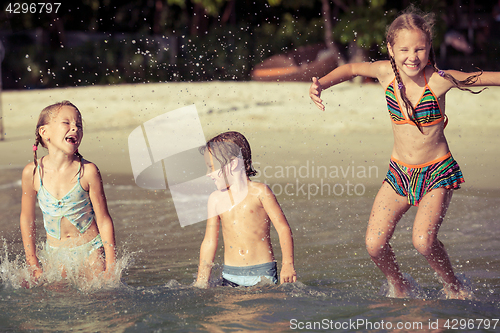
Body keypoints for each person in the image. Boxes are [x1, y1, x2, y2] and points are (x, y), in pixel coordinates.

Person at [309, 5, 500, 299]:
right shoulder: (385, 73)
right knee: (374, 244)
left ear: (429, 49)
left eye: (420, 49)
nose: (413, 57)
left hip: (437, 172)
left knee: (423, 241)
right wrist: (320, 84)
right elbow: (350, 69)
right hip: (399, 173)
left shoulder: (439, 80)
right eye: (405, 49)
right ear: (391, 48)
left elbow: (480, 77)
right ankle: (399, 284)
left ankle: (454, 285)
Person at [20, 100, 116, 286]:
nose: (75, 128)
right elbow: (27, 219)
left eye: (78, 125)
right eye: (67, 123)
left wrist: (111, 265)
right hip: (55, 253)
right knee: (58, 305)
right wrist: (32, 262)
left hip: (90, 251)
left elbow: (104, 219)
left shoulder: (87, 171)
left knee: (99, 301)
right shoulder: (32, 173)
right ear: (44, 132)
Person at [193, 131, 296, 288]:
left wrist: (287, 264)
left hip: (263, 273)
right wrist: (201, 279)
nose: (208, 174)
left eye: (211, 167)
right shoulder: (215, 199)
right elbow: (209, 241)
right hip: (230, 275)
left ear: (233, 164)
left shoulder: (260, 192)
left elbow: (283, 228)